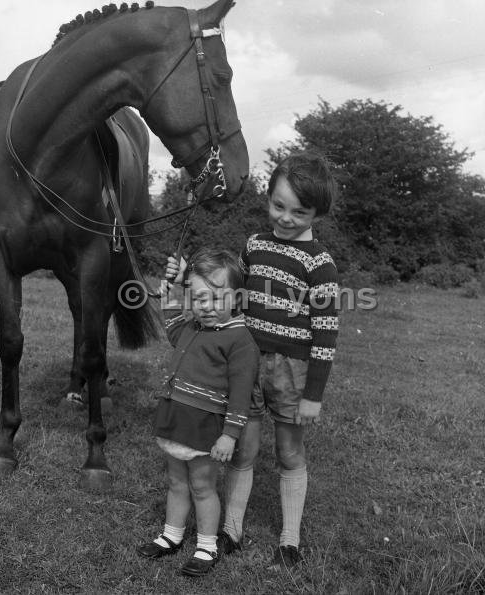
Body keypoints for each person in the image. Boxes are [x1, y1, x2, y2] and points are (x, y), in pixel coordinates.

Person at [166, 151, 340, 571]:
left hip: (291, 371)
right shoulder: (254, 246)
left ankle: (290, 539)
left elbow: (326, 336)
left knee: (289, 452)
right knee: (242, 448)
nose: (286, 217)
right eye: (278, 206)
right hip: (244, 363)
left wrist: (312, 395)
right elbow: (231, 291)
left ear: (318, 212)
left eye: (300, 211)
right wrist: (189, 275)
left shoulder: (320, 265)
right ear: (269, 198)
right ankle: (231, 531)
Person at [136, 247, 260, 577]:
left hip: (206, 426)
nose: (205, 306)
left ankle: (207, 546)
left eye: (215, 299)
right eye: (199, 298)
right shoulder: (193, 328)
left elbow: (240, 396)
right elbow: (173, 323)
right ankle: (171, 536)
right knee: (177, 482)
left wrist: (229, 435)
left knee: (203, 486)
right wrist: (173, 290)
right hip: (177, 418)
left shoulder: (240, 341)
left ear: (236, 298)